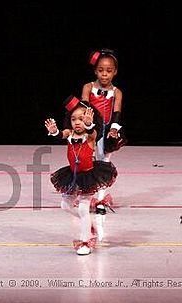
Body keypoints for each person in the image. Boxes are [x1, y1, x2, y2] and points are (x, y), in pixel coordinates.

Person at [45, 95, 117, 255]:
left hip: (88, 176)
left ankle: (85, 241)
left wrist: (89, 124)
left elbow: (92, 131)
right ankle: (89, 224)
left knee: (84, 209)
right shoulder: (70, 134)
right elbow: (60, 134)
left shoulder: (89, 136)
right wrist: (54, 131)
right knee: (65, 205)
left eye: (81, 118)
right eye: (73, 119)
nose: (77, 122)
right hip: (72, 176)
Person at [81, 48, 127, 215]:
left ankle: (100, 199)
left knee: (103, 164)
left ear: (115, 72)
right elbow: (84, 107)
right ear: (95, 70)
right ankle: (86, 195)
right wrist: (86, 124)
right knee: (87, 162)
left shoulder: (117, 92)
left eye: (108, 71)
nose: (104, 74)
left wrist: (114, 131)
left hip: (107, 131)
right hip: (91, 129)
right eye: (100, 70)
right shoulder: (88, 87)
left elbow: (116, 113)